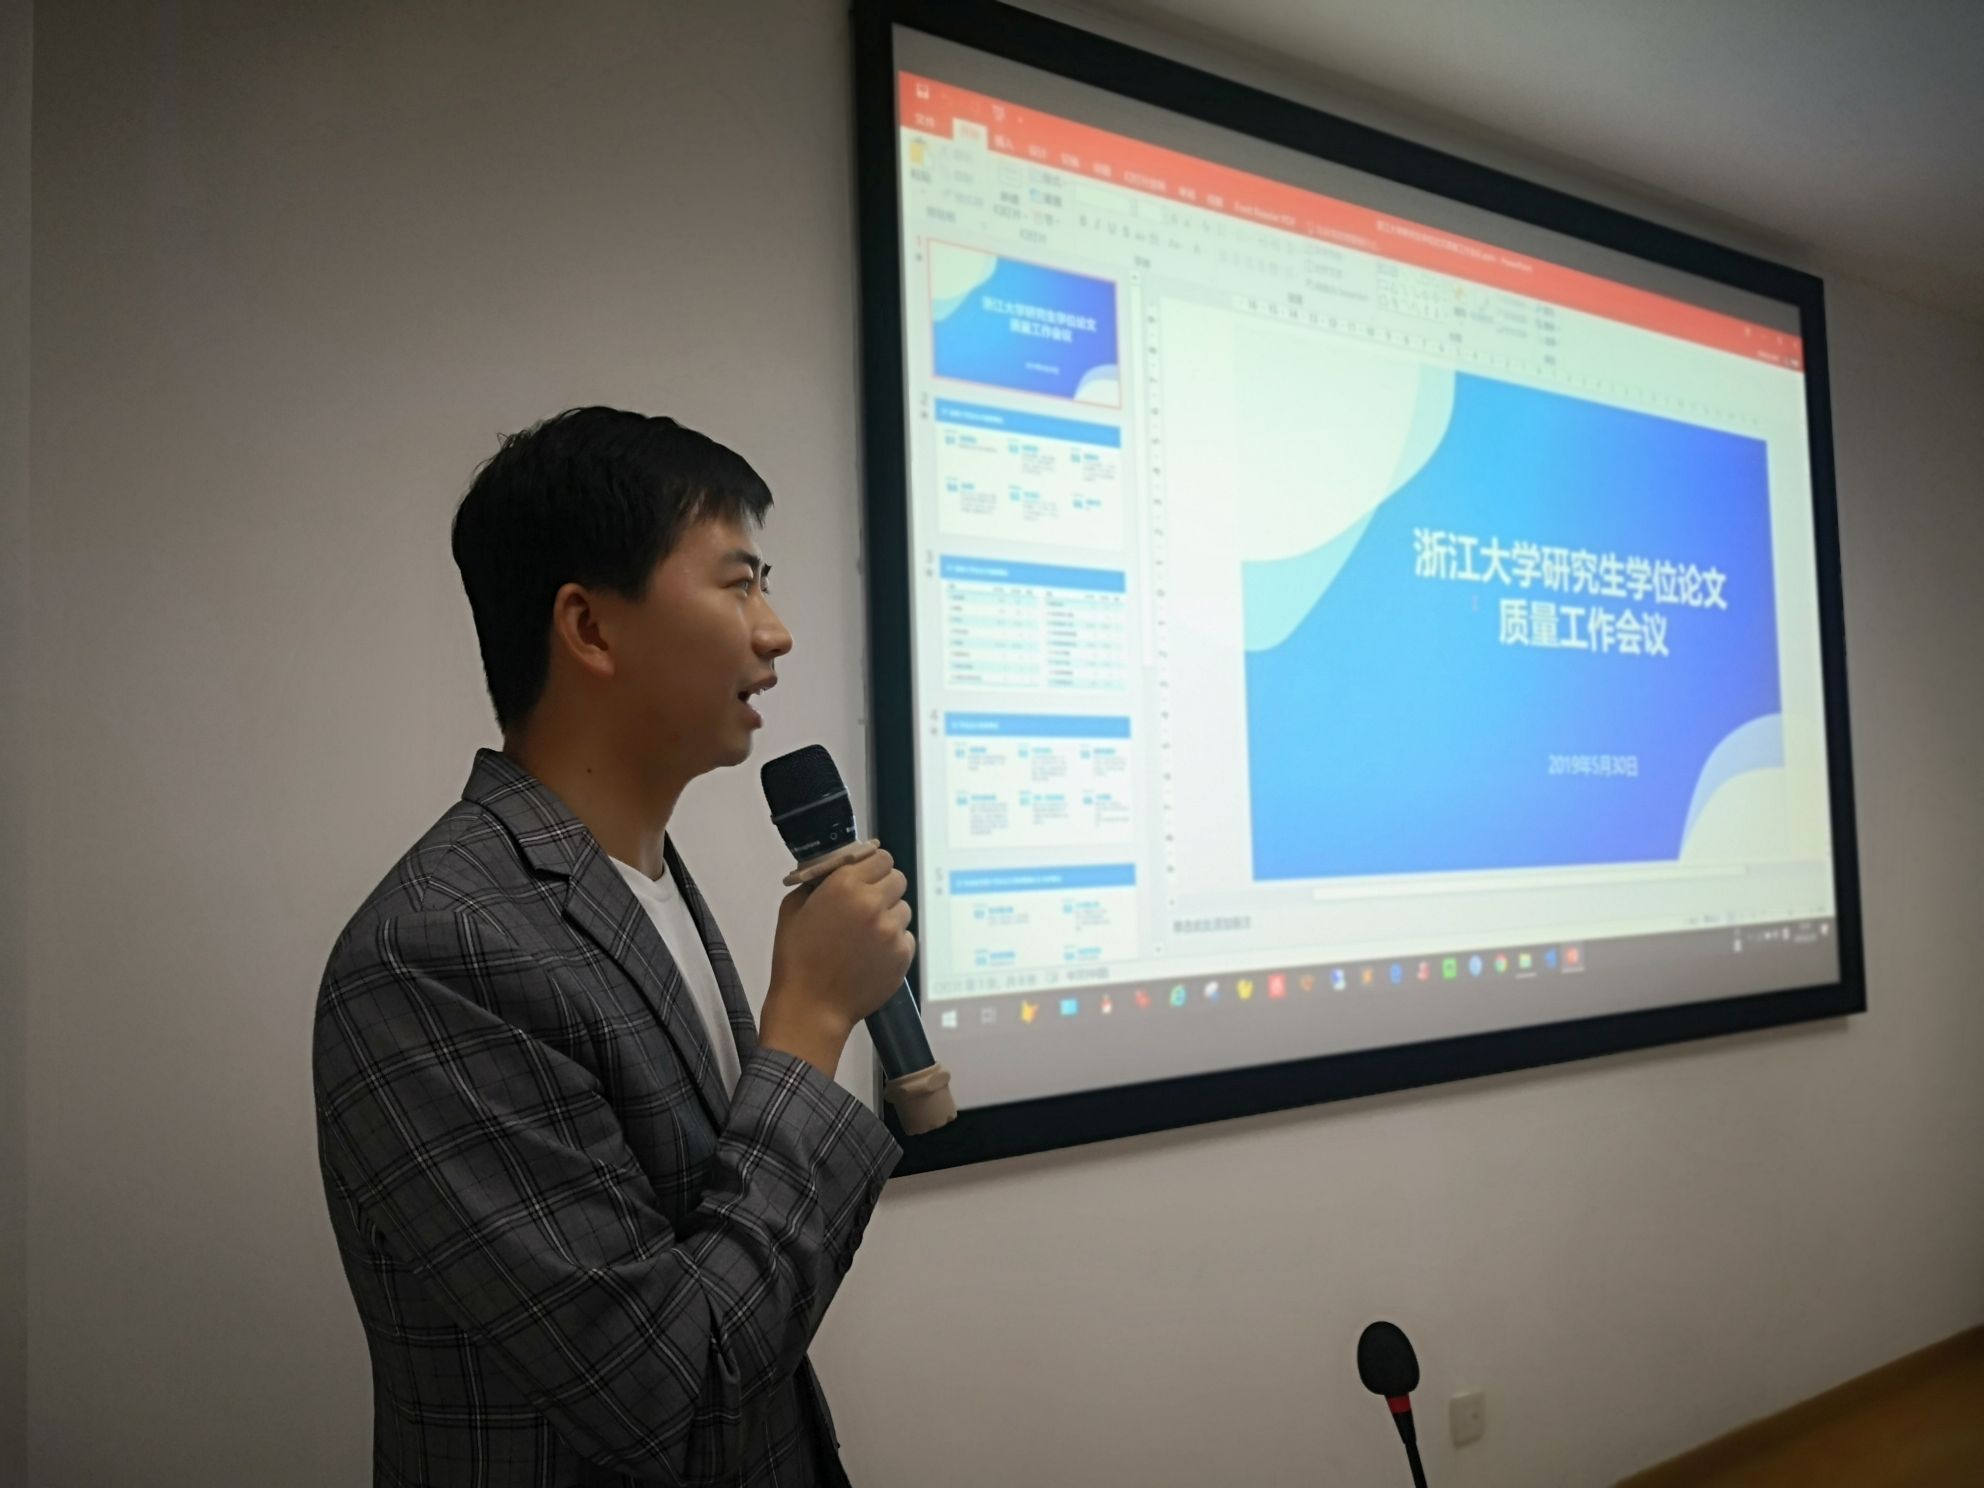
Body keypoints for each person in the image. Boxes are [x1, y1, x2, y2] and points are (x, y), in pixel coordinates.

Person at [313, 407, 911, 1487]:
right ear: (589, 628)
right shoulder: (433, 951)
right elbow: (671, 1403)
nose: (775, 632)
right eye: (738, 584)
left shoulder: (641, 882)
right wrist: (813, 1021)